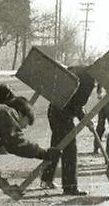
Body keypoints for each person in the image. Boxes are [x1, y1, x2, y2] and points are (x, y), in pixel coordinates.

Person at [40, 65, 95, 195]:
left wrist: (86, 120)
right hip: (63, 115)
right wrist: (85, 121)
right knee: (70, 149)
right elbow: (77, 105)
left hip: (53, 110)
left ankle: (46, 179)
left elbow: (76, 102)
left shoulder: (79, 69)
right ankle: (70, 187)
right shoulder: (89, 80)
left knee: (56, 146)